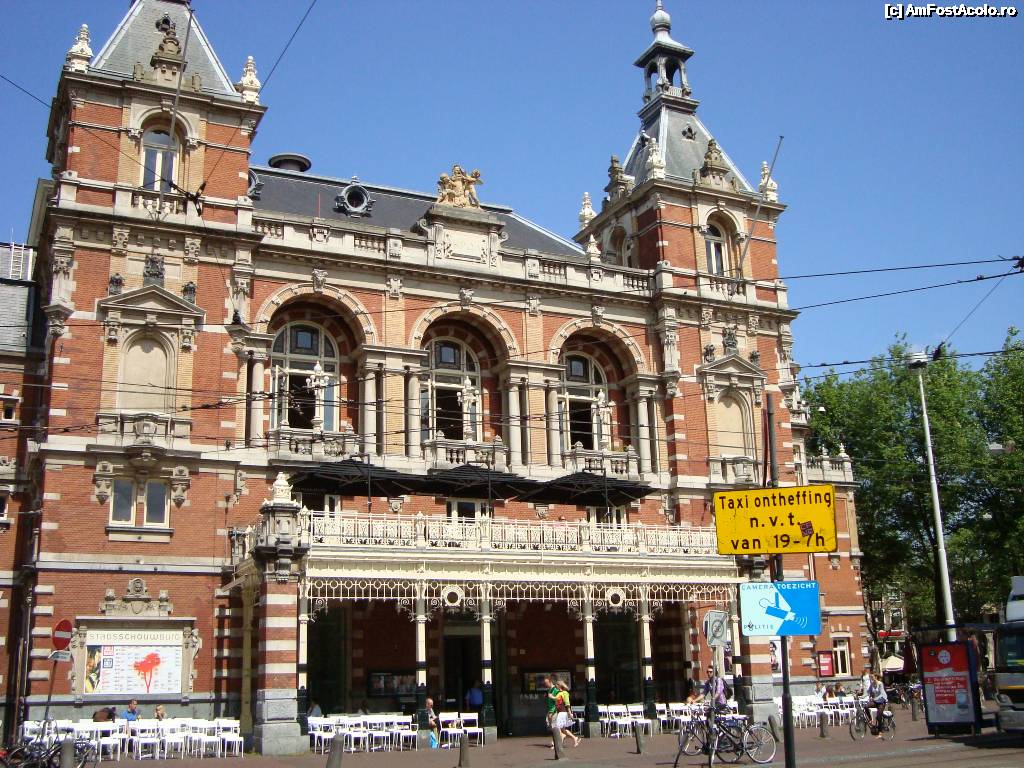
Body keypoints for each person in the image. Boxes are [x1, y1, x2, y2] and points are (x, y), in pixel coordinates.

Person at [554, 681, 580, 747]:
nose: (555, 686)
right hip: (559, 712)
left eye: (556, 685)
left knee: (557, 728)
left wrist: (569, 712)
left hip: (563, 712)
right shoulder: (558, 693)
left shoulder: (564, 693)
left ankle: (557, 744)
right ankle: (575, 738)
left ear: (559, 685)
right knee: (563, 729)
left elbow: (567, 703)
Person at [865, 673, 888, 737]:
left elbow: (882, 693)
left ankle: (880, 732)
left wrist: (875, 699)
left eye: (872, 677)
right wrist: (861, 696)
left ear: (876, 677)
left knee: (878, 717)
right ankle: (870, 720)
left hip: (881, 701)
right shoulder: (872, 684)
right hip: (875, 701)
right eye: (870, 678)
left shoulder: (880, 684)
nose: (871, 679)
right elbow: (868, 692)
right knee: (866, 707)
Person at [543, 676, 560, 746]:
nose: (545, 684)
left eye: (546, 683)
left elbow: (558, 699)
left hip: (553, 710)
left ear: (550, 682)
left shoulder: (555, 690)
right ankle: (556, 740)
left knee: (554, 726)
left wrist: (552, 711)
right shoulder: (549, 690)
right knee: (550, 725)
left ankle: (555, 741)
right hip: (550, 709)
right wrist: (547, 696)